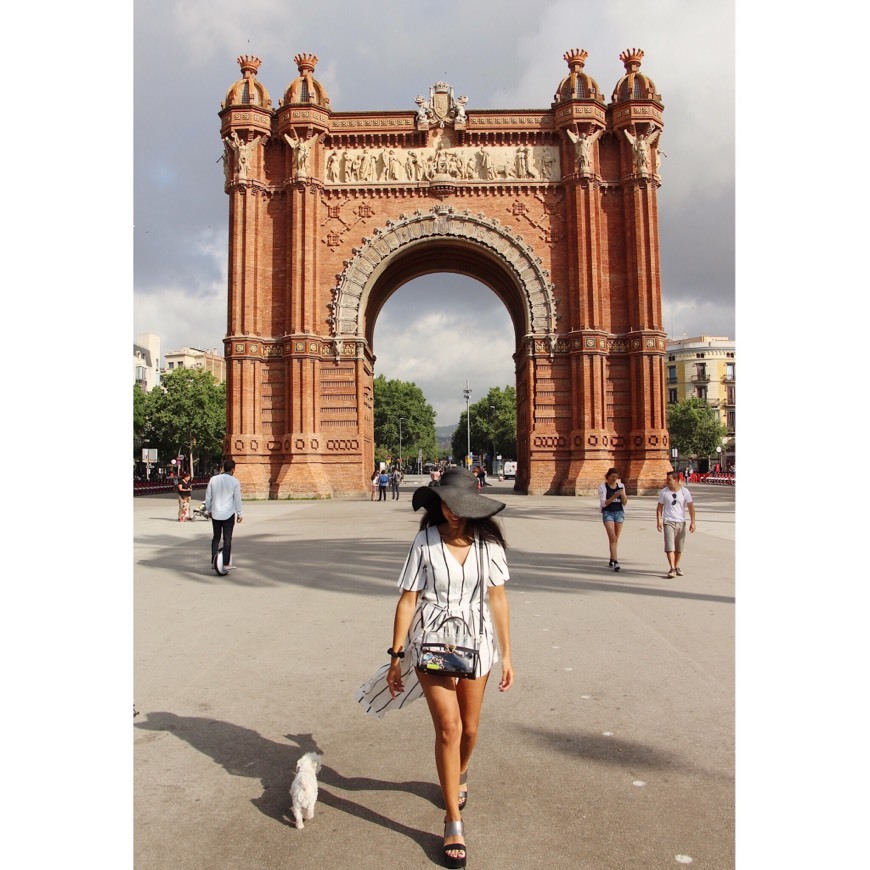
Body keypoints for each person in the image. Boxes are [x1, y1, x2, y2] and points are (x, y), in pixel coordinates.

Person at [355, 468, 513, 869]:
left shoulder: (489, 546)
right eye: (446, 503)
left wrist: (507, 654)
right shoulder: (424, 541)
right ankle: (452, 820)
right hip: (432, 643)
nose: (453, 512)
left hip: (477, 642)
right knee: (449, 727)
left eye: (460, 505)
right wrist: (395, 656)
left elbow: (498, 599)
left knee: (471, 728)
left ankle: (458, 775)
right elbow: (408, 599)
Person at [204, 459, 243, 571]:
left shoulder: (213, 479)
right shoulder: (234, 481)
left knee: (216, 537)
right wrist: (239, 513)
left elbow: (208, 497)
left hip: (215, 513)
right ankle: (225, 563)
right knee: (227, 538)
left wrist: (209, 510)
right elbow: (237, 499)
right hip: (228, 514)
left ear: (223, 468)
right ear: (233, 469)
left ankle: (213, 562)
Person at [656, 470, 696, 578]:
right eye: (667, 479)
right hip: (668, 521)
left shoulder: (684, 492)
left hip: (681, 522)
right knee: (669, 546)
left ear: (676, 480)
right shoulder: (664, 492)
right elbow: (659, 508)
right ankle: (672, 568)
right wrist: (659, 520)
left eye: (669, 480)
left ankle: (677, 566)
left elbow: (691, 507)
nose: (667, 482)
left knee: (679, 547)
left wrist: (693, 522)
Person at [598, 467, 627, 571]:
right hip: (608, 513)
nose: (614, 479)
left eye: (616, 477)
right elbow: (603, 503)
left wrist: (623, 495)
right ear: (608, 477)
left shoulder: (621, 486)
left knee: (615, 539)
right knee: (612, 537)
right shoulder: (603, 487)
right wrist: (614, 496)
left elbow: (624, 502)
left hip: (619, 513)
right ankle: (616, 562)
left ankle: (611, 558)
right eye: (612, 477)